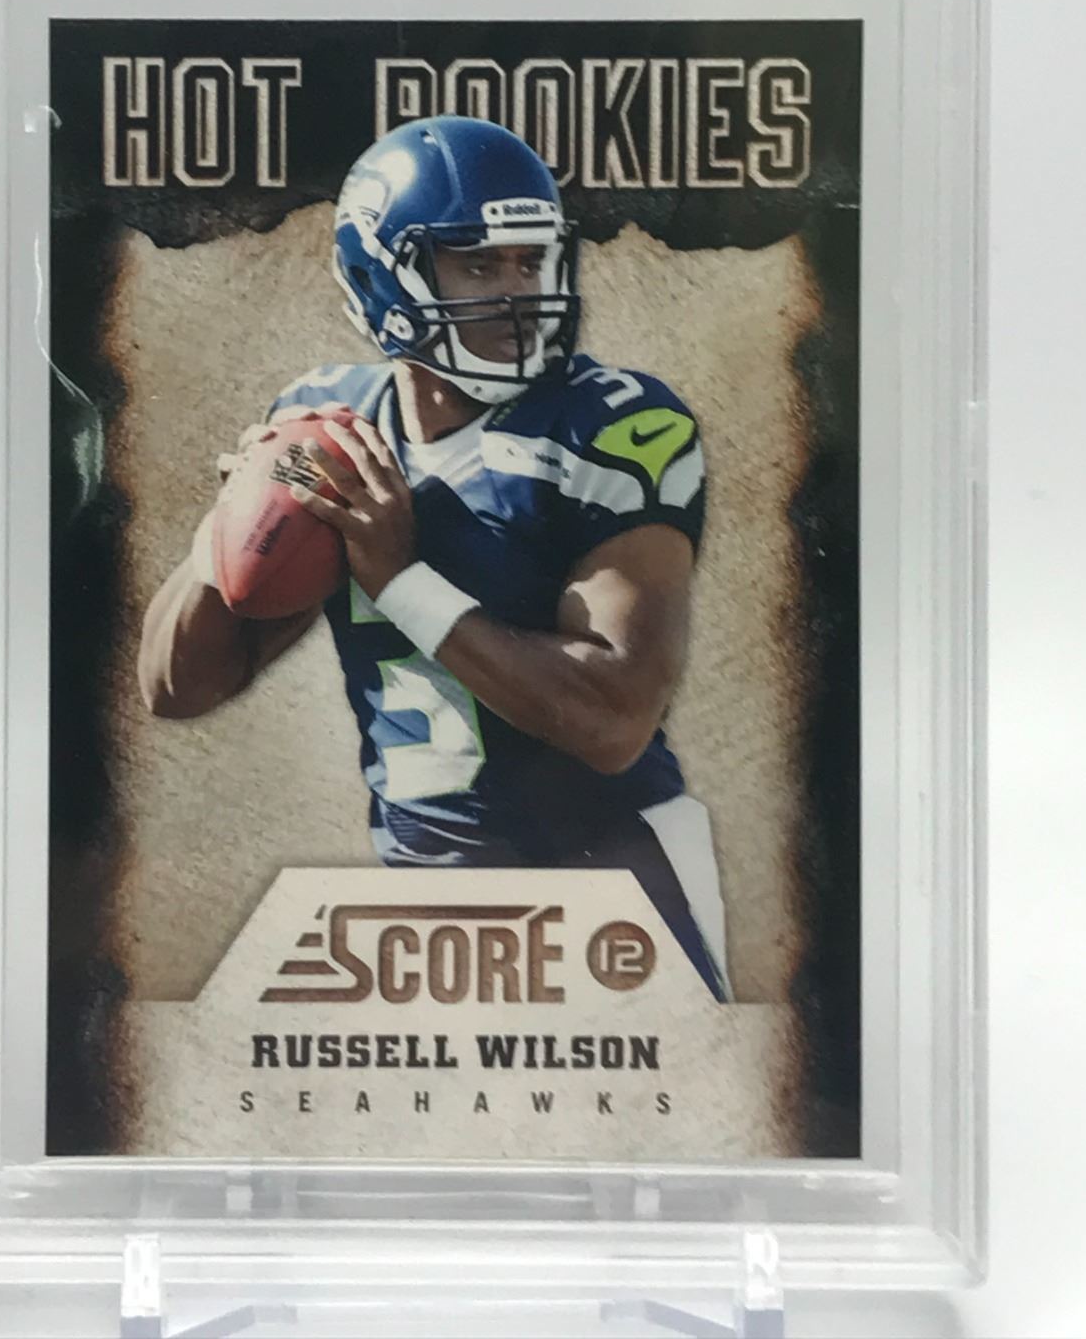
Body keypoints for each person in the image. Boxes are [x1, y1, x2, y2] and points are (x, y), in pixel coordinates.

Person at [138, 116, 730, 998]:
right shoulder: (333, 428)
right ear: (382, 277)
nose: (518, 291)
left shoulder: (611, 427)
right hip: (425, 901)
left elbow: (612, 724)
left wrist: (401, 581)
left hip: (616, 883)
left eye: (530, 261)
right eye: (479, 265)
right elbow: (173, 689)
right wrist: (226, 532)